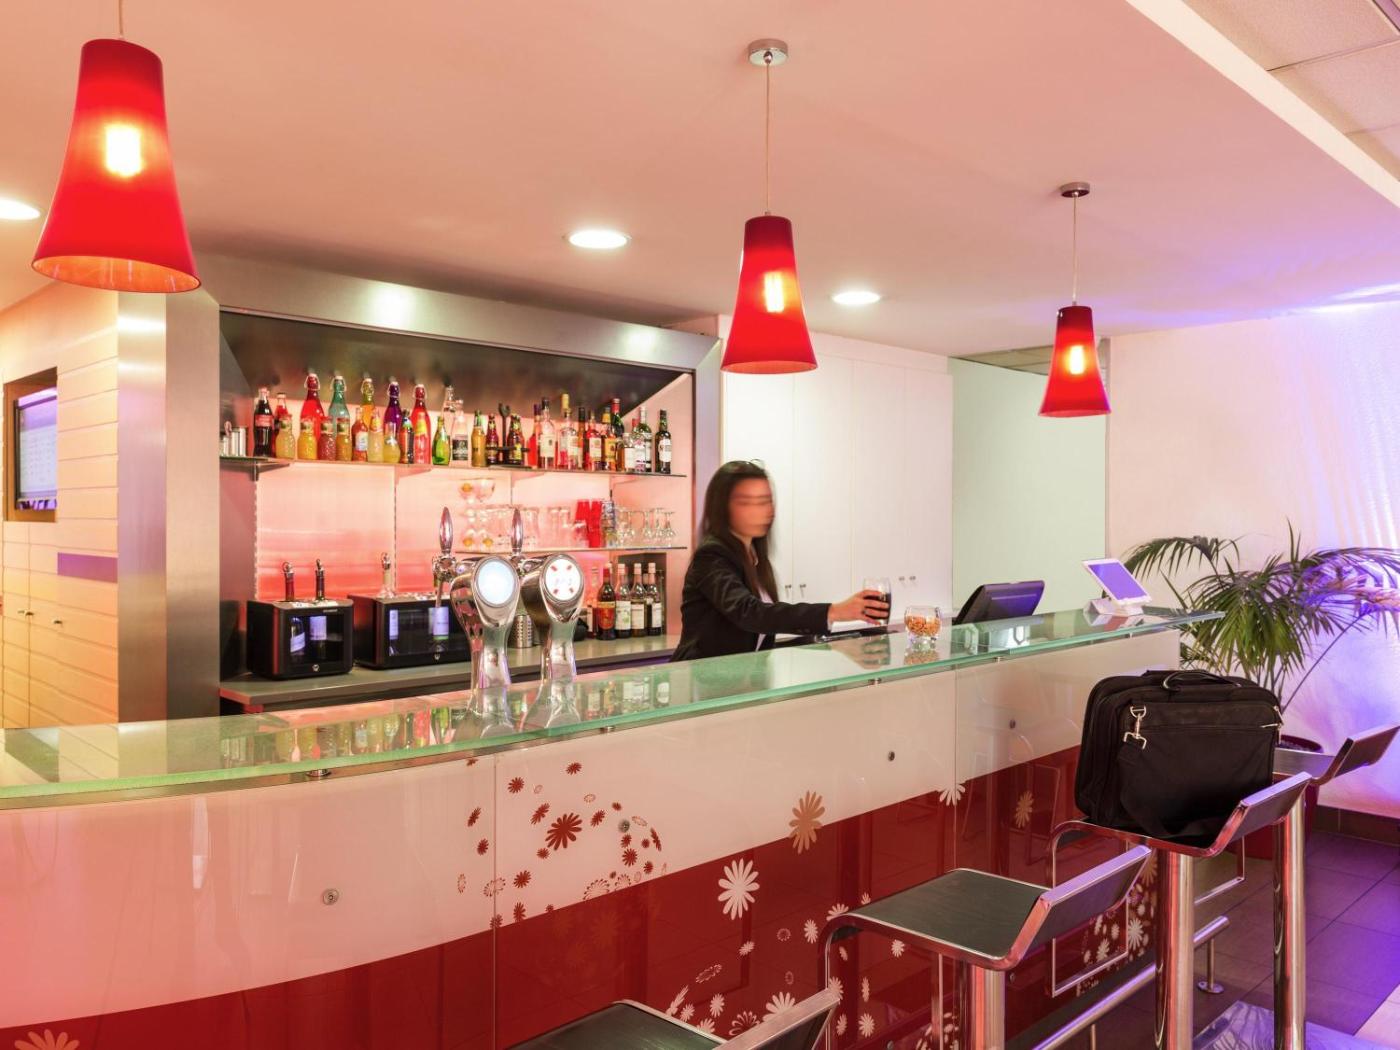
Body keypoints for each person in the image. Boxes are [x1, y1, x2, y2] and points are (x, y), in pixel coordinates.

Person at [671, 460, 889, 661]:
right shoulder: (711, 556)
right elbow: (751, 614)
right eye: (747, 502)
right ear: (722, 507)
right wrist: (835, 611)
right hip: (700, 681)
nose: (763, 511)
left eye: (765, 501)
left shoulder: (754, 557)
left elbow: (763, 635)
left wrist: (838, 646)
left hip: (739, 682)